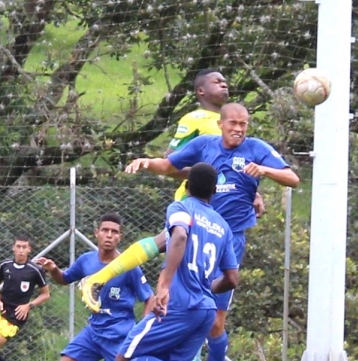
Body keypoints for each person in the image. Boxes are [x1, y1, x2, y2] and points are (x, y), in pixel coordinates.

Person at [90, 102, 300, 361]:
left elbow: (293, 179)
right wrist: (147, 162)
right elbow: (170, 165)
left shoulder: (257, 149)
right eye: (233, 123)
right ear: (221, 123)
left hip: (227, 239)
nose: (239, 129)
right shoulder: (204, 146)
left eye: (244, 124)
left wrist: (266, 172)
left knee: (215, 323)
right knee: (168, 288)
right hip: (195, 226)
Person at [81, 70, 263, 312]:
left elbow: (235, 166)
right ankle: (98, 279)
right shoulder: (194, 118)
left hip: (219, 209)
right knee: (168, 244)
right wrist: (206, 178)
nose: (224, 84)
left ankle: (100, 280)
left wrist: (251, 192)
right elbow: (170, 162)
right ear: (201, 91)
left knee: (187, 271)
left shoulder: (232, 123)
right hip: (195, 199)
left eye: (225, 80)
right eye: (216, 81)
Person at [115, 162, 240, 361]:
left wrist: (165, 284)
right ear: (214, 192)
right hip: (205, 310)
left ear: (186, 186)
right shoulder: (223, 226)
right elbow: (233, 278)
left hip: (178, 304)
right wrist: (205, 287)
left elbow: (180, 236)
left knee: (125, 360)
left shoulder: (180, 208)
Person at [36, 213, 155, 361]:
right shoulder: (86, 260)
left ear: (120, 237)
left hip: (118, 335)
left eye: (114, 232)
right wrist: (53, 270)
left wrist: (142, 328)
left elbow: (149, 298)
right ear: (96, 233)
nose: (109, 235)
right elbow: (64, 279)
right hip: (94, 332)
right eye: (105, 230)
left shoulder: (129, 265)